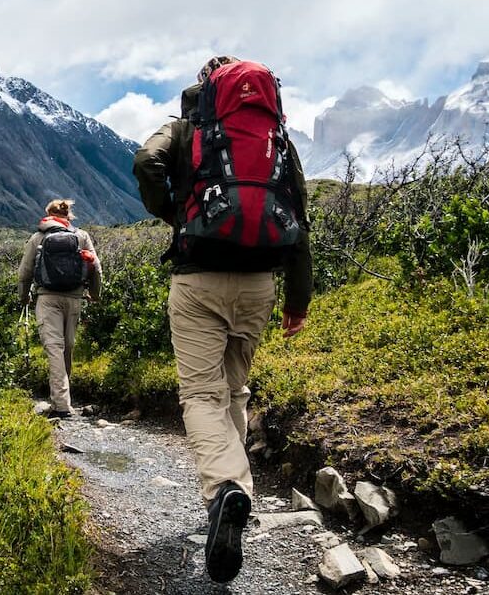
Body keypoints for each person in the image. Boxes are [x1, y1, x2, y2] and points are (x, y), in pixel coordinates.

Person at [132, 56, 313, 583]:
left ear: (205, 88)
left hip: (198, 278)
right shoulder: (275, 138)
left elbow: (146, 163)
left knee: (201, 395)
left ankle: (225, 490)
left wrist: (173, 212)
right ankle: (233, 492)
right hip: (259, 283)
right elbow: (299, 215)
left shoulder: (187, 128)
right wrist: (297, 302)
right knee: (234, 389)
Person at [18, 199, 103, 419]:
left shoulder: (38, 237)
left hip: (47, 299)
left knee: (54, 348)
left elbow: (24, 272)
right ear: (69, 216)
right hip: (74, 298)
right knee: (67, 346)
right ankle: (64, 398)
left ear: (48, 214)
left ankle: (62, 404)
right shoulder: (81, 236)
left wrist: (24, 297)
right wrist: (94, 294)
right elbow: (95, 267)